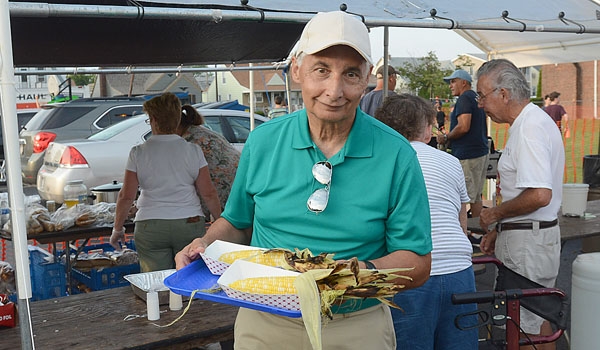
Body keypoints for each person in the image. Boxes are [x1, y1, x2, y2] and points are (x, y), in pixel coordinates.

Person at [175, 11, 432, 350]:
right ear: (297, 69)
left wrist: (350, 273)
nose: (334, 90)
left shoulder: (396, 154)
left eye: (351, 74)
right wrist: (206, 244)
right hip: (265, 321)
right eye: (321, 70)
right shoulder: (263, 142)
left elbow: (417, 262)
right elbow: (237, 222)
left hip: (355, 324)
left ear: (368, 78)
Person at [375, 94, 478, 350]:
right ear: (425, 128)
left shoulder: (382, 162)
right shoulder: (450, 161)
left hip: (409, 269)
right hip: (459, 269)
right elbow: (461, 219)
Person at [476, 59, 564, 350]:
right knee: (535, 318)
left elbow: (539, 195)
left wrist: (494, 214)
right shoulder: (530, 123)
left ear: (503, 93)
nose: (480, 104)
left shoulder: (529, 128)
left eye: (482, 96)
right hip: (527, 236)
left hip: (528, 242)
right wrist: (500, 229)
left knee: (524, 326)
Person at [110, 92, 222, 272]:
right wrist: (219, 222)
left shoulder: (138, 152)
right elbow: (209, 193)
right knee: (190, 277)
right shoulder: (193, 151)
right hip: (190, 222)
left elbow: (126, 196)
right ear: (178, 119)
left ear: (153, 119)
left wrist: (117, 228)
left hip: (150, 225)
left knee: (156, 283)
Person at [437, 69, 489, 218]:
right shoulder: (474, 97)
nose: (450, 85)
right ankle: (477, 231)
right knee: (476, 196)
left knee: (463, 198)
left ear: (464, 82)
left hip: (468, 156)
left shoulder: (464, 99)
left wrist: (447, 137)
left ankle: (464, 234)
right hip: (480, 153)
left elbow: (464, 126)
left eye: (453, 82)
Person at [177, 104, 241, 219]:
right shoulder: (200, 132)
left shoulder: (188, 142)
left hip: (224, 192)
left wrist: (217, 220)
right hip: (238, 188)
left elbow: (206, 191)